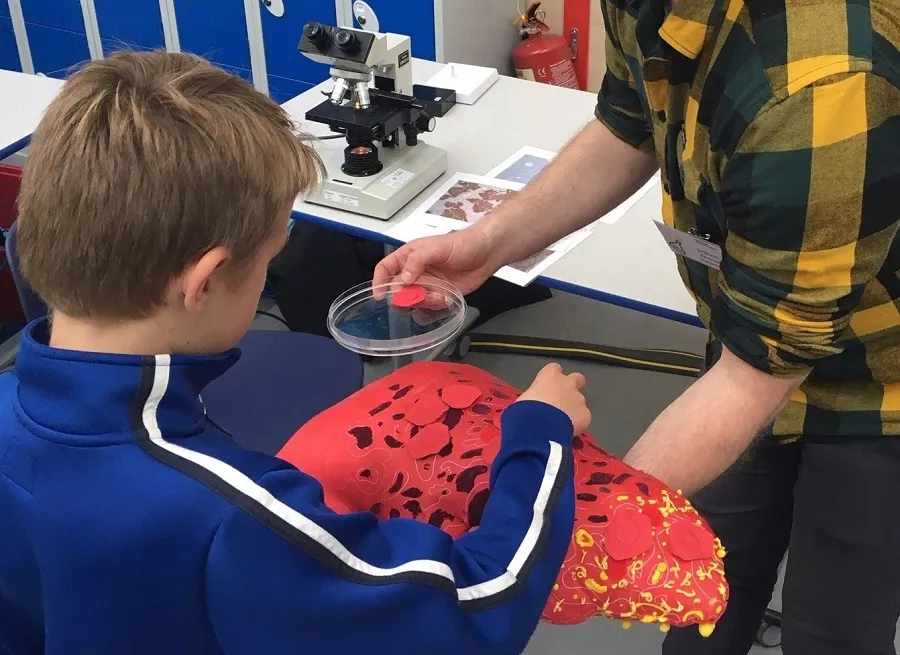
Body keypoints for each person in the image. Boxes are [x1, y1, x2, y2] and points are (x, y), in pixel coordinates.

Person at [0, 51, 592, 655]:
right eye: (268, 261)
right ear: (205, 282)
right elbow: (479, 602)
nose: (270, 277)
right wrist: (541, 431)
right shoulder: (231, 517)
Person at [375, 1, 900, 653]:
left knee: (834, 627)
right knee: (703, 591)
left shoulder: (821, 80)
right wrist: (490, 243)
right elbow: (629, 125)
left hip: (875, 387)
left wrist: (571, 521)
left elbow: (758, 373)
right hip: (750, 332)